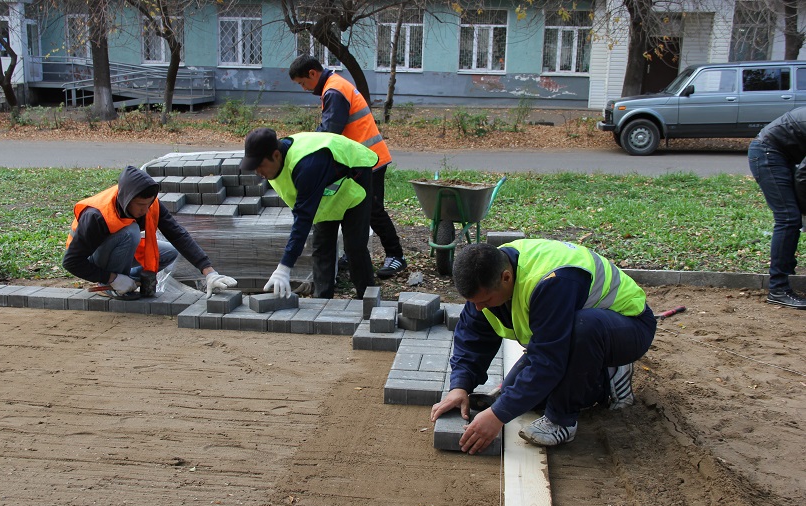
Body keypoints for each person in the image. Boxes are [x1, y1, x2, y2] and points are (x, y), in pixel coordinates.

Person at [429, 240, 657, 453]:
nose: (478, 309)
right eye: (473, 302)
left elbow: (548, 362)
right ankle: (601, 377)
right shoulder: (488, 273)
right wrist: (459, 386)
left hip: (628, 328)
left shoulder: (552, 281)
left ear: (506, 278)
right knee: (523, 396)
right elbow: (472, 336)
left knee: (582, 330)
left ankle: (564, 420)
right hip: (578, 333)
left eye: (484, 302)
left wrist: (497, 416)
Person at [288, 55, 407, 279]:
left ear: (313, 73)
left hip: (368, 160)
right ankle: (354, 254)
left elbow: (330, 132)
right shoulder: (334, 86)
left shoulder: (334, 91)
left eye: (303, 83)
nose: (304, 88)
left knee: (372, 210)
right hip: (361, 160)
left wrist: (307, 148)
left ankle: (396, 255)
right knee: (354, 208)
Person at [240, 127, 377, 299]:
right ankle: (322, 302)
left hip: (353, 176)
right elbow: (300, 208)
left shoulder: (307, 164)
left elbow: (304, 216)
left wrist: (284, 266)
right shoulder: (276, 165)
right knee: (321, 246)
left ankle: (368, 300)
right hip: (327, 189)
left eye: (260, 165)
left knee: (354, 246)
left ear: (275, 155)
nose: (257, 172)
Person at [63, 165, 236, 299]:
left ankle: (130, 280)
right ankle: (112, 284)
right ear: (126, 199)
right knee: (130, 232)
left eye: (148, 204)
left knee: (169, 252)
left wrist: (209, 272)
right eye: (140, 205)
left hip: (115, 249)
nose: (145, 210)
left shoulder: (150, 204)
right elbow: (71, 262)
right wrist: (112, 278)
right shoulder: (96, 216)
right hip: (90, 258)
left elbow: (177, 234)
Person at [748, 107, 806, 310]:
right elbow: (803, 177)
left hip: (780, 155)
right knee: (789, 218)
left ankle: (786, 272)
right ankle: (778, 289)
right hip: (767, 153)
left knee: (792, 218)